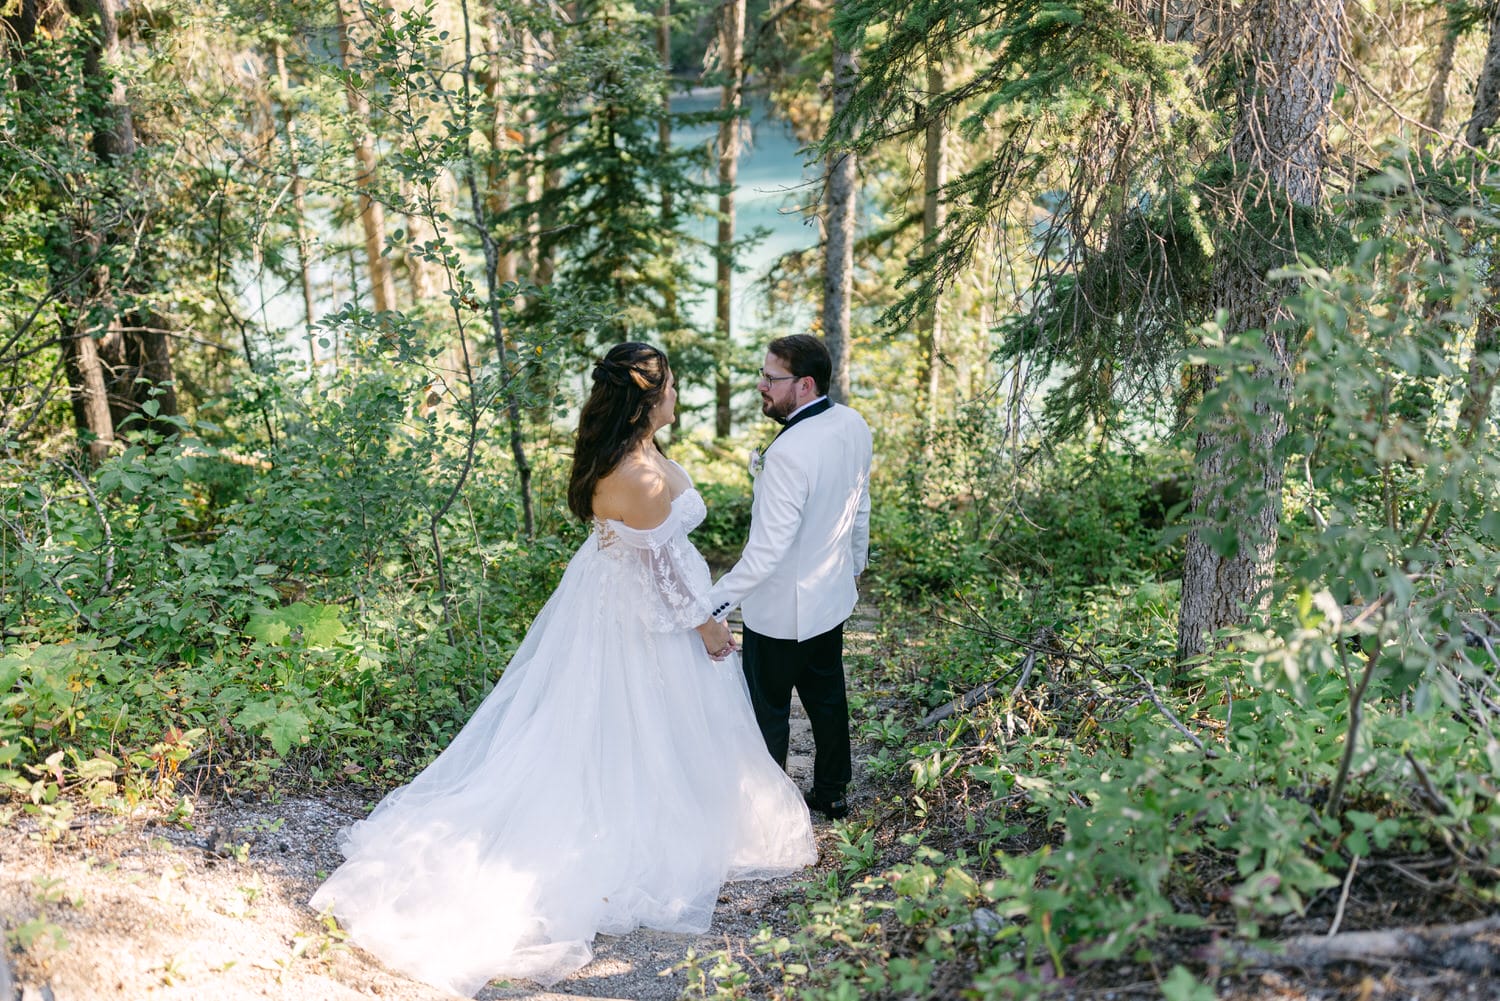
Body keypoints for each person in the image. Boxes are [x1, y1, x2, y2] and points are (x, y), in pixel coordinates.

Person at [309, 343, 815, 998]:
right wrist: (712, 628)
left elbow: (654, 554)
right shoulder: (640, 472)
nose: (676, 397)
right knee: (641, 720)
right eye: (670, 387)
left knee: (614, 719)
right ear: (646, 399)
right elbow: (664, 578)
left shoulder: (624, 453)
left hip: (612, 596)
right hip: (646, 613)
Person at [707, 335, 872, 821]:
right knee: (827, 698)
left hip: (777, 613)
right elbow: (859, 507)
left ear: (803, 385)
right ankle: (833, 793)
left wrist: (709, 607)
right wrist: (854, 568)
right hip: (830, 599)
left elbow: (764, 555)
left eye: (770, 378)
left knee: (769, 712)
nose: (761, 386)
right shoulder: (854, 424)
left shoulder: (786, 454)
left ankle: (769, 812)